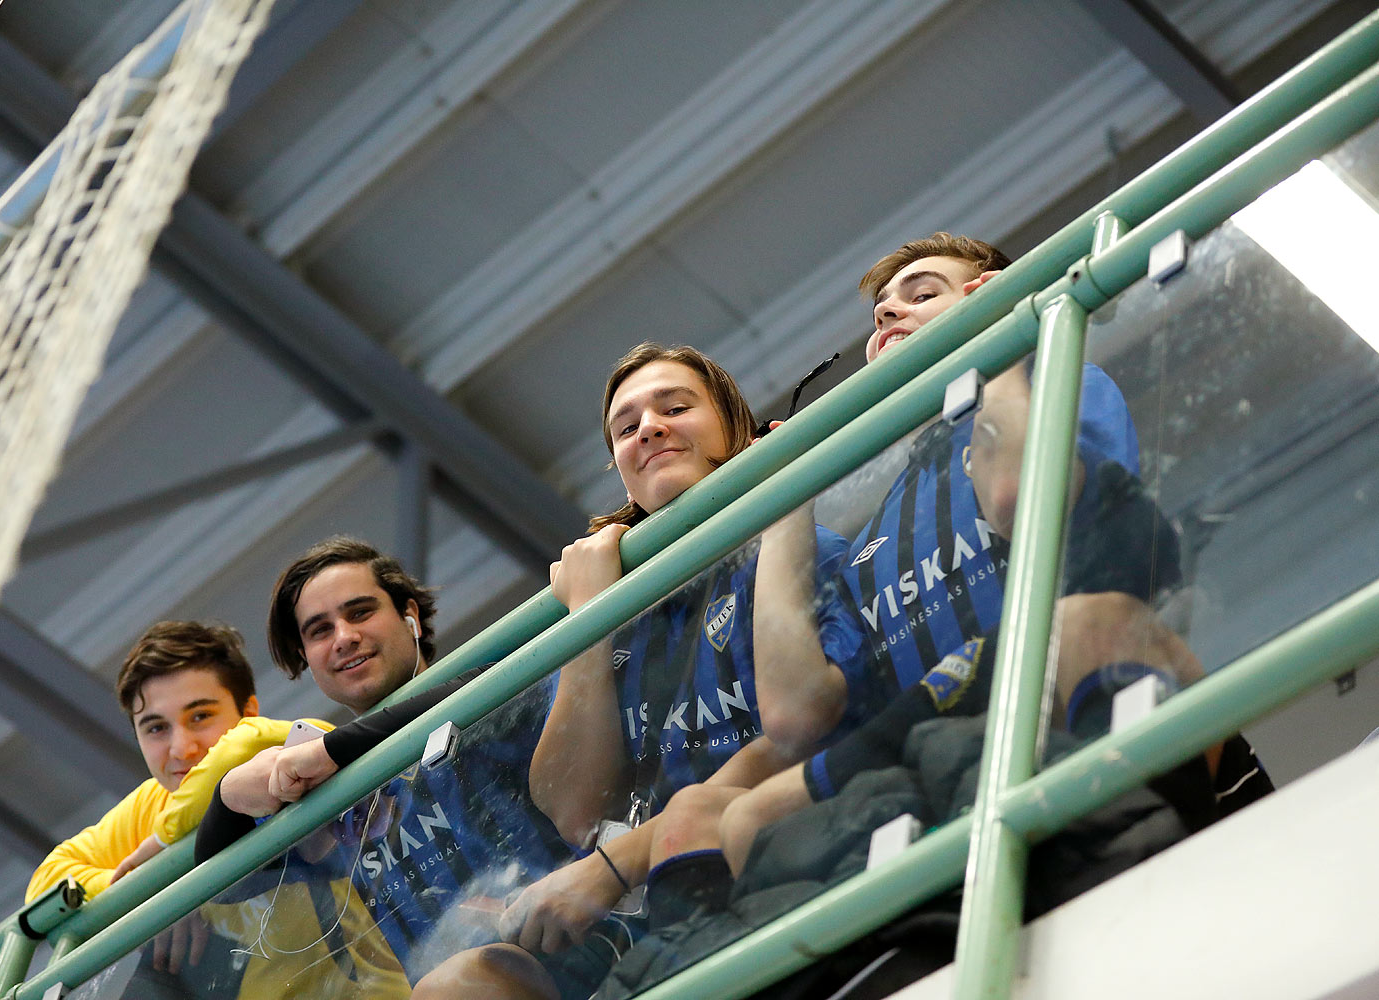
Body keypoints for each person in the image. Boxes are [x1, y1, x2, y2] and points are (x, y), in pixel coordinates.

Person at [718, 232, 1273, 876]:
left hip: (1066, 695)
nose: (890, 314)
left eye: (923, 294)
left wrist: (1004, 342)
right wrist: (787, 501)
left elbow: (1015, 497)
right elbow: (791, 712)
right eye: (881, 314)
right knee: (744, 818)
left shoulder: (1061, 382)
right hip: (938, 753)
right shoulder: (875, 536)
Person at [404, 344, 868, 999]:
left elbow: (806, 729)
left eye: (676, 407)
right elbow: (572, 809)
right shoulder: (622, 609)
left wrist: (617, 863)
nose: (649, 426)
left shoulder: (801, 547)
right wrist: (589, 620)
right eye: (626, 427)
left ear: (734, 432)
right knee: (455, 984)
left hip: (771, 848)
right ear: (623, 472)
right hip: (641, 911)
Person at [198, 537, 579, 991]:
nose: (344, 637)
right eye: (319, 630)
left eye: (360, 612)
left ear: (410, 616)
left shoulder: (489, 689)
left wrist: (331, 750)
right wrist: (227, 795)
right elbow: (224, 886)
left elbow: (487, 683)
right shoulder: (334, 794)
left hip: (584, 954)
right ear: (306, 658)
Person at [26, 620, 406, 998]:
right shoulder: (151, 803)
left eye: (201, 716)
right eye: (156, 729)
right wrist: (155, 897)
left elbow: (241, 747)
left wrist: (164, 841)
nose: (182, 749)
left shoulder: (295, 751)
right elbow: (46, 881)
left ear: (250, 711)